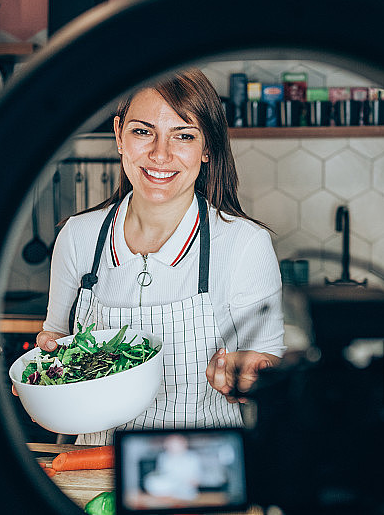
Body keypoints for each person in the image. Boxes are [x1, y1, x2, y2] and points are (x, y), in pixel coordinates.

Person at [36, 68, 285, 445]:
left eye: (183, 135)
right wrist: (45, 382)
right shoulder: (78, 236)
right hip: (93, 470)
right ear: (119, 135)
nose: (160, 154)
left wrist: (248, 377)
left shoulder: (243, 244)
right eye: (142, 131)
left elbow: (268, 375)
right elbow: (56, 345)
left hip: (203, 474)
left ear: (206, 148)